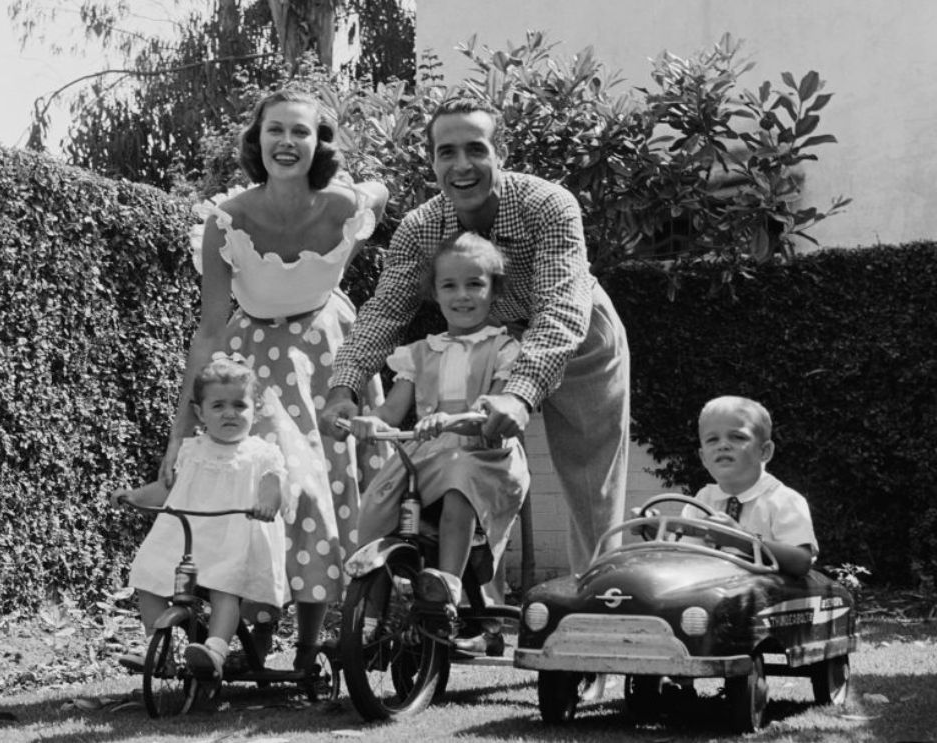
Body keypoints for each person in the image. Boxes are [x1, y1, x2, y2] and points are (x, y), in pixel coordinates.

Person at [321, 94, 631, 576]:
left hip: (578, 340)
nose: (461, 165)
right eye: (447, 152)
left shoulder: (549, 205)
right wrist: (344, 388)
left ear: (499, 153)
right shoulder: (421, 227)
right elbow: (384, 312)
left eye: (475, 149)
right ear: (432, 161)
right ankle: (469, 599)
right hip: (485, 342)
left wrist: (519, 396)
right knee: (466, 466)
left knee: (592, 482)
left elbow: (559, 309)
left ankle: (600, 601)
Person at [164, 89, 390, 671]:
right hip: (254, 360)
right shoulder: (226, 220)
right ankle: (250, 645)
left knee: (324, 488)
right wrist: (178, 435)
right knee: (266, 485)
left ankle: (311, 649)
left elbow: (380, 195)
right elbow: (211, 329)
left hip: (326, 354)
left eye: (300, 132)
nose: (286, 143)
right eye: (275, 131)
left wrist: (371, 192)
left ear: (319, 144)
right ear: (256, 140)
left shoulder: (345, 206)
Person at [346, 231, 531, 654]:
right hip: (428, 454)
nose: (461, 295)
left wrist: (459, 419)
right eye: (449, 285)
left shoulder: (504, 348)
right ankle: (366, 617)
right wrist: (363, 422)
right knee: (377, 500)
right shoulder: (419, 352)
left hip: (485, 454)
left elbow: (496, 413)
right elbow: (390, 414)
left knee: (458, 478)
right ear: (435, 292)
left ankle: (446, 584)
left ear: (493, 290)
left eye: (474, 284)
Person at [113, 354, 292, 677]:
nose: (230, 413)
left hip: (233, 540)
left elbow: (273, 485)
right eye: (219, 406)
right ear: (200, 413)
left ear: (256, 410)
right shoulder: (192, 450)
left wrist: (267, 503)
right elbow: (168, 489)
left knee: (226, 588)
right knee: (149, 576)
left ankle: (214, 652)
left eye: (240, 406)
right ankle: (159, 649)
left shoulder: (261, 454)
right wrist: (135, 496)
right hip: (188, 538)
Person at [689, 395, 817, 576]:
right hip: (712, 592)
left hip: (766, 596)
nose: (723, 445)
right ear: (703, 458)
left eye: (737, 437)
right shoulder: (703, 498)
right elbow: (684, 550)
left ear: (764, 451)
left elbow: (801, 561)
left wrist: (742, 539)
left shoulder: (784, 500)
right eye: (712, 439)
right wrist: (654, 527)